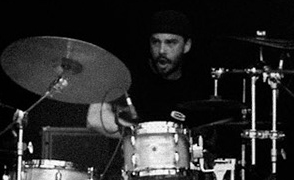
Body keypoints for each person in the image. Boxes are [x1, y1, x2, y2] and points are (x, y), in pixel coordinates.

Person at [86, 9, 214, 137]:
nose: (162, 50)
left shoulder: (196, 86)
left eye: (170, 43)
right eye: (156, 42)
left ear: (187, 45)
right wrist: (141, 136)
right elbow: (95, 118)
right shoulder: (130, 75)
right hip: (135, 154)